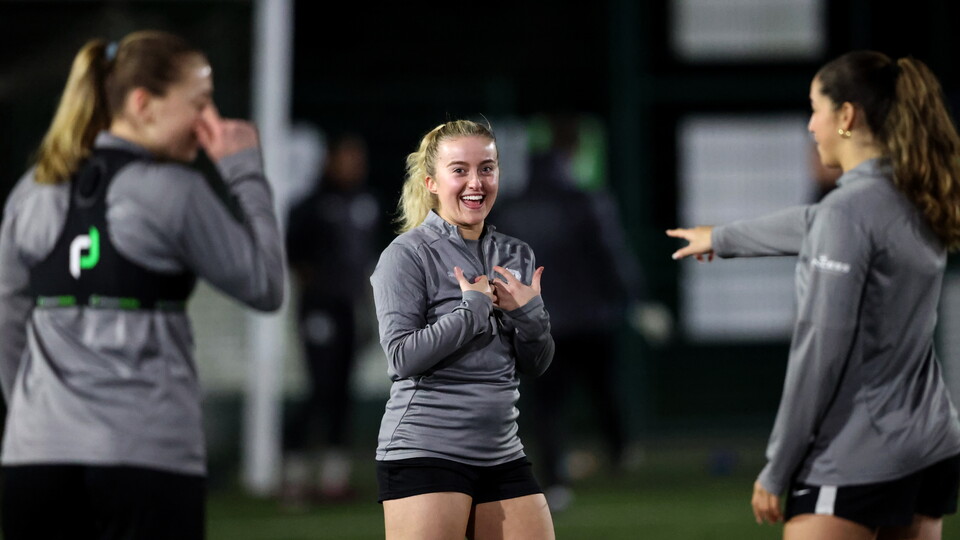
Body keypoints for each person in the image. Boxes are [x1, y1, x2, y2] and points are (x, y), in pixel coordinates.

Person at [0, 30, 285, 539]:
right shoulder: (175, 192)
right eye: (199, 103)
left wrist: (30, 416)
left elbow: (7, 322)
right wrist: (242, 170)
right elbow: (265, 284)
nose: (210, 120)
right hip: (145, 455)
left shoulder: (32, 190)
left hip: (35, 458)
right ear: (142, 104)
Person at [668, 50, 960, 540]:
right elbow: (813, 222)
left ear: (846, 116)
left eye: (815, 109)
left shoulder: (847, 213)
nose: (810, 125)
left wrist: (778, 465)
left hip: (859, 453)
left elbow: (820, 351)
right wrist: (721, 237)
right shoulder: (915, 197)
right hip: (932, 447)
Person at [369, 119, 556, 539]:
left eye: (486, 168)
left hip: (502, 451)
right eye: (460, 170)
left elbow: (536, 363)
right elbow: (402, 358)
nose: (476, 182)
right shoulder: (406, 255)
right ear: (432, 182)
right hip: (424, 451)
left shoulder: (516, 253)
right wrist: (471, 311)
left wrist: (530, 316)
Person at [490, 112, 646, 512]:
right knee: (603, 389)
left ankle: (555, 479)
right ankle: (620, 453)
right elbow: (611, 255)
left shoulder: (512, 207)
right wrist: (632, 296)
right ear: (575, 151)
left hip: (538, 321)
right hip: (590, 317)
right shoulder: (587, 200)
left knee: (547, 406)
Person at [281, 132, 381, 504]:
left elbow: (368, 258)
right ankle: (293, 472)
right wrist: (319, 286)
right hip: (319, 307)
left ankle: (333, 478)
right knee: (319, 387)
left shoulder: (367, 203)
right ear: (330, 161)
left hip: (351, 307)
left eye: (359, 158)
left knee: (343, 390)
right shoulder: (311, 205)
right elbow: (294, 253)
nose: (354, 166)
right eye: (347, 157)